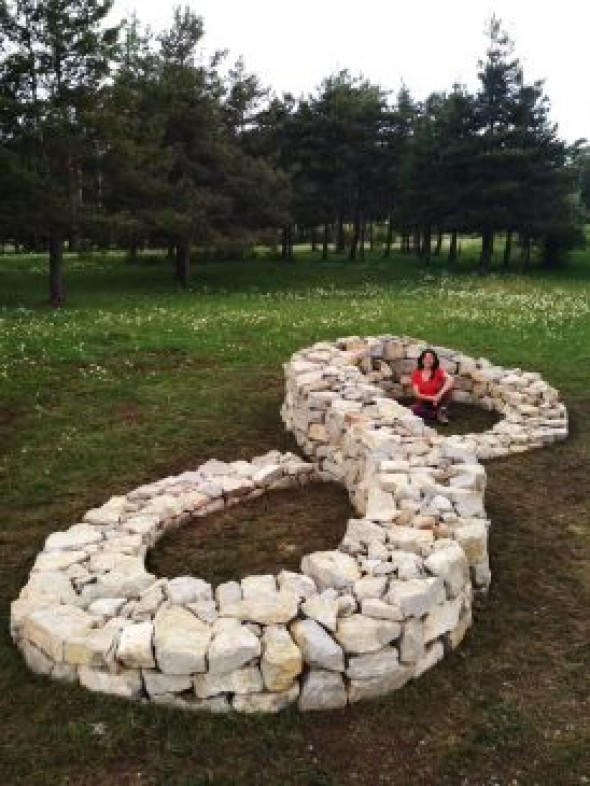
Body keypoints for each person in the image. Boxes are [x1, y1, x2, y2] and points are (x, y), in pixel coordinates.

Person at [411, 348, 454, 423]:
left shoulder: (437, 371)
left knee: (447, 387)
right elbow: (417, 394)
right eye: (426, 358)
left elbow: (451, 379)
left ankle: (441, 410)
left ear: (434, 360)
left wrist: (438, 396)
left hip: (439, 401)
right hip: (425, 401)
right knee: (412, 409)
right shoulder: (416, 373)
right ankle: (437, 415)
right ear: (422, 359)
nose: (428, 360)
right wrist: (432, 398)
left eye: (431, 358)